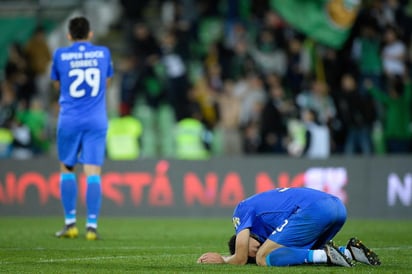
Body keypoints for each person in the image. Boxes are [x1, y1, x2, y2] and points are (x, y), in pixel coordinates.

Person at [197, 187, 381, 267]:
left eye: (250, 247)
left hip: (316, 209)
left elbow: (241, 258)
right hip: (338, 207)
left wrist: (223, 259)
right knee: (296, 252)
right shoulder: (273, 225)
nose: (255, 249)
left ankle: (325, 255)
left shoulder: (241, 210)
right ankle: (349, 252)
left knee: (263, 258)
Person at [50, 16, 114, 240]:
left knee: (67, 169)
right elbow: (107, 82)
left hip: (69, 118)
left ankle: (70, 224)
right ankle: (92, 227)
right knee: (93, 172)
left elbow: (58, 84)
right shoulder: (103, 53)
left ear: (68, 35)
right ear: (90, 34)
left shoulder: (60, 54)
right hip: (96, 119)